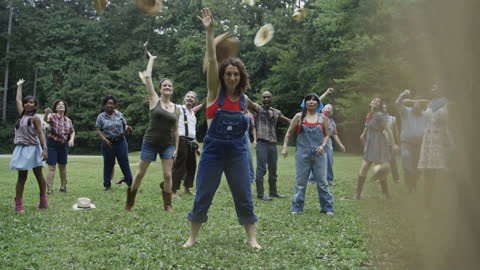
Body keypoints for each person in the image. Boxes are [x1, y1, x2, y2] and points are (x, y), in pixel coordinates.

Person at [184, 8, 260, 249]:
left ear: (241, 76)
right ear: (222, 75)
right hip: (213, 151)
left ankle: (252, 238)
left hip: (237, 152)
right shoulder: (212, 93)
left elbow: (250, 117)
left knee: (244, 196)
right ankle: (192, 238)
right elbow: (213, 58)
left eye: (236, 74)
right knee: (203, 194)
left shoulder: (243, 100)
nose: (231, 77)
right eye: (228, 73)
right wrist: (210, 32)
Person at [125, 52, 179, 212]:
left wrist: (176, 148)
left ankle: (168, 204)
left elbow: (176, 131)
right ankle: (130, 203)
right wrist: (152, 60)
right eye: (165, 86)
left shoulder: (176, 108)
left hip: (167, 145)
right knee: (140, 173)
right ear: (160, 90)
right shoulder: (154, 100)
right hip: (150, 142)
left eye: (170, 86)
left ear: (172, 89)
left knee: (168, 175)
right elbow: (147, 77)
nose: (167, 87)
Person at [281, 93, 334, 214]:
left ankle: (327, 207)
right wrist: (285, 147)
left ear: (318, 103)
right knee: (300, 182)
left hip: (319, 154)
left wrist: (323, 145)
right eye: (308, 100)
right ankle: (297, 207)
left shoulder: (323, 118)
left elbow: (326, 135)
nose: (311, 102)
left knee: (322, 182)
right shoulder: (299, 116)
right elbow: (288, 133)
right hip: (302, 154)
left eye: (314, 100)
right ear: (304, 103)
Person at [11, 79, 48, 212]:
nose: (27, 104)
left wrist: (45, 149)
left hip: (33, 149)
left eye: (31, 102)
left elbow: (41, 134)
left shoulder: (35, 118)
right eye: (26, 102)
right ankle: (18, 205)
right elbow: (18, 100)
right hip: (21, 149)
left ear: (35, 105)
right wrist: (19, 86)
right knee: (22, 177)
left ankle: (43, 201)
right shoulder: (22, 115)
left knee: (39, 175)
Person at [417, 84, 453, 206]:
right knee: (428, 173)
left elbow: (450, 125)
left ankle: (444, 201)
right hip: (428, 140)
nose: (433, 88)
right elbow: (413, 104)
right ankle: (428, 203)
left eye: (436, 86)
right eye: (432, 87)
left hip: (441, 140)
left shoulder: (448, 104)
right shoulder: (429, 103)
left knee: (441, 172)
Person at [355, 97, 397, 199]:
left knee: (373, 168)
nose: (376, 102)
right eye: (374, 100)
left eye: (378, 102)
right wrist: (363, 134)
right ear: (370, 103)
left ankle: (385, 193)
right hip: (370, 142)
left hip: (378, 142)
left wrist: (394, 144)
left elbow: (388, 129)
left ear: (379, 105)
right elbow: (367, 126)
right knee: (369, 167)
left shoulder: (379, 115)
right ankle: (358, 194)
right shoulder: (369, 114)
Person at [254, 91, 290, 200]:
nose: (266, 99)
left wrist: (299, 123)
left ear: (271, 99)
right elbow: (248, 102)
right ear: (262, 99)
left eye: (268, 97)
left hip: (273, 145)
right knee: (261, 169)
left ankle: (273, 192)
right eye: (264, 97)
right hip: (262, 144)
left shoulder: (277, 112)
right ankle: (260, 194)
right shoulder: (258, 110)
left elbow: (289, 121)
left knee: (273, 169)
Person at [95, 94, 133, 191]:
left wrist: (127, 128)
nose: (110, 105)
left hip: (121, 142)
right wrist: (105, 140)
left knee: (124, 162)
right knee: (108, 164)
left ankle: (130, 183)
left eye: (112, 103)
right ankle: (107, 185)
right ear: (105, 105)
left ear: (115, 105)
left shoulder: (119, 114)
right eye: (108, 103)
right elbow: (98, 129)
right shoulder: (101, 116)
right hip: (108, 143)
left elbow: (124, 125)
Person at [395, 89, 426, 192]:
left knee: (418, 169)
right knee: (407, 163)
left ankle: (413, 184)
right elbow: (397, 103)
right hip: (406, 144)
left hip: (420, 145)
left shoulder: (425, 114)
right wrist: (403, 94)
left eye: (419, 103)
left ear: (422, 105)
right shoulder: (406, 112)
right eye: (415, 103)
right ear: (412, 104)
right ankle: (409, 186)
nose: (417, 105)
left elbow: (432, 104)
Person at [171, 91, 200, 199]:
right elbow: (167, 105)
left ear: (195, 101)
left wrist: (197, 146)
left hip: (191, 142)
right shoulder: (179, 108)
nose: (190, 98)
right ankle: (172, 191)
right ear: (184, 98)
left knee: (191, 166)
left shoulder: (193, 115)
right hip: (181, 140)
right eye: (188, 96)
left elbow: (193, 131)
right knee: (179, 166)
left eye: (192, 97)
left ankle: (187, 189)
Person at [44, 100, 75, 194]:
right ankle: (49, 189)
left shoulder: (68, 120)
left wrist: (71, 139)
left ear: (65, 108)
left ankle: (63, 187)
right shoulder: (52, 116)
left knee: (63, 167)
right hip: (52, 144)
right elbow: (46, 120)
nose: (61, 105)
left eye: (63, 104)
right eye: (59, 104)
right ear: (56, 108)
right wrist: (46, 113)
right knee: (51, 167)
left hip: (63, 145)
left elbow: (72, 131)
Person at [321, 104, 346, 186]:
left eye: (329, 109)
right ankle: (313, 179)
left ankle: (329, 180)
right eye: (326, 108)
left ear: (330, 112)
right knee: (315, 160)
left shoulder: (332, 122)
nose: (327, 110)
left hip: (328, 142)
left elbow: (335, 134)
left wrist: (340, 144)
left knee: (329, 160)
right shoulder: (317, 117)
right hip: (317, 141)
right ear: (322, 109)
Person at [383, 103, 400, 183]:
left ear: (387, 109)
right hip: (380, 143)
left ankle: (396, 178)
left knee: (392, 161)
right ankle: (380, 178)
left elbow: (396, 132)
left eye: (385, 107)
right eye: (382, 108)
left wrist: (397, 143)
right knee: (380, 162)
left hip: (390, 143)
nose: (384, 109)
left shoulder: (393, 119)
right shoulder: (377, 118)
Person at [245, 109, 256, 183]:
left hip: (246, 138)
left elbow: (252, 128)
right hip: (236, 138)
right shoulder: (237, 111)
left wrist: (255, 139)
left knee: (249, 158)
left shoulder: (250, 115)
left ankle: (252, 178)